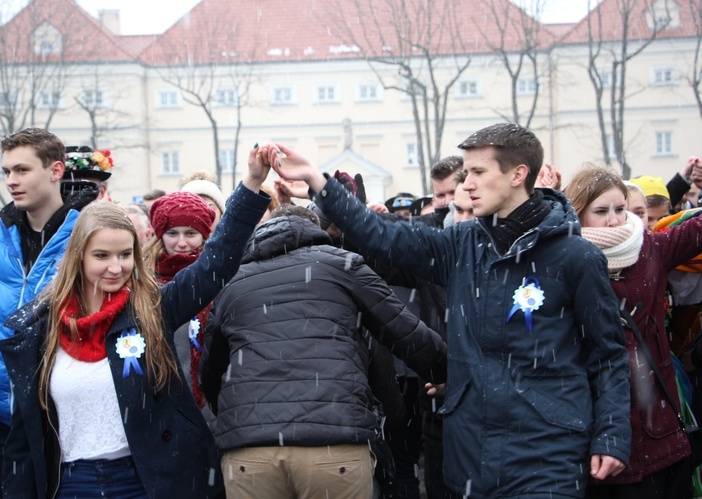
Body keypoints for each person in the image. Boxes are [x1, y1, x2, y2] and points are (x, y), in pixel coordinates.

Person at [269, 122, 631, 498]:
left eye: (478, 172)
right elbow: (381, 235)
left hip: (548, 456)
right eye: (465, 173)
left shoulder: (576, 257)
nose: (467, 184)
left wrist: (611, 434)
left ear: (518, 175)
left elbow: (606, 356)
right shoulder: (460, 244)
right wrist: (317, 180)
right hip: (471, 455)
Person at [0, 144, 271, 498]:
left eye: (125, 255)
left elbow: (215, 264)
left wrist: (251, 183)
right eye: (102, 255)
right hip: (70, 483)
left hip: (145, 479)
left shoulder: (151, 308)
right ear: (77, 258)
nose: (116, 267)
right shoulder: (42, 327)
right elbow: (24, 436)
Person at [201, 204, 447, 499]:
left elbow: (211, 370)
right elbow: (404, 331)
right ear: (315, 229)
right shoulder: (342, 264)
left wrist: (243, 416)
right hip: (333, 444)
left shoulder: (233, 282)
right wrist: (446, 371)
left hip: (250, 452)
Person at [0, 128, 98, 499]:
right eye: (6, 172)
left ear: (55, 170)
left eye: (22, 170)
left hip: (63, 411)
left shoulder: (88, 233)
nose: (11, 181)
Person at [563, 165, 698, 499]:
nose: (614, 221)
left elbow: (695, 230)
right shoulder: (561, 261)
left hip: (658, 422)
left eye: (620, 209)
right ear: (577, 211)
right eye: (601, 211)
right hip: (598, 430)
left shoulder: (648, 247)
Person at [143, 191, 216, 407]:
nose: (181, 243)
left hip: (209, 396)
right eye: (172, 233)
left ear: (204, 235)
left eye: (190, 233)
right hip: (161, 395)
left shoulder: (217, 275)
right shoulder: (143, 279)